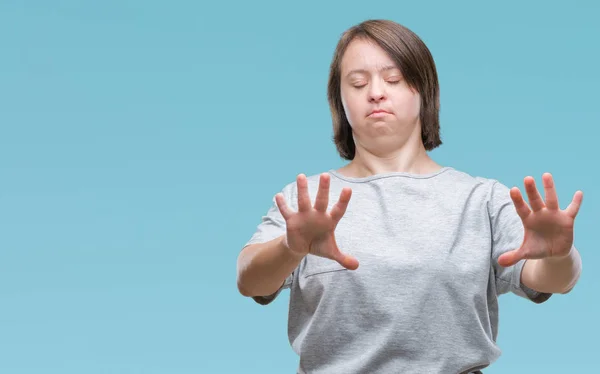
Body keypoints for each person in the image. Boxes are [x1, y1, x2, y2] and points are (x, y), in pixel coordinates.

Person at [236, 19, 583, 374]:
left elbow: (555, 279)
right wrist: (291, 247)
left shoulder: (481, 200)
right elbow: (249, 280)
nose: (375, 92)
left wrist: (559, 254)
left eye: (393, 79)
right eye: (357, 83)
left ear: (424, 91)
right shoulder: (306, 200)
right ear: (339, 101)